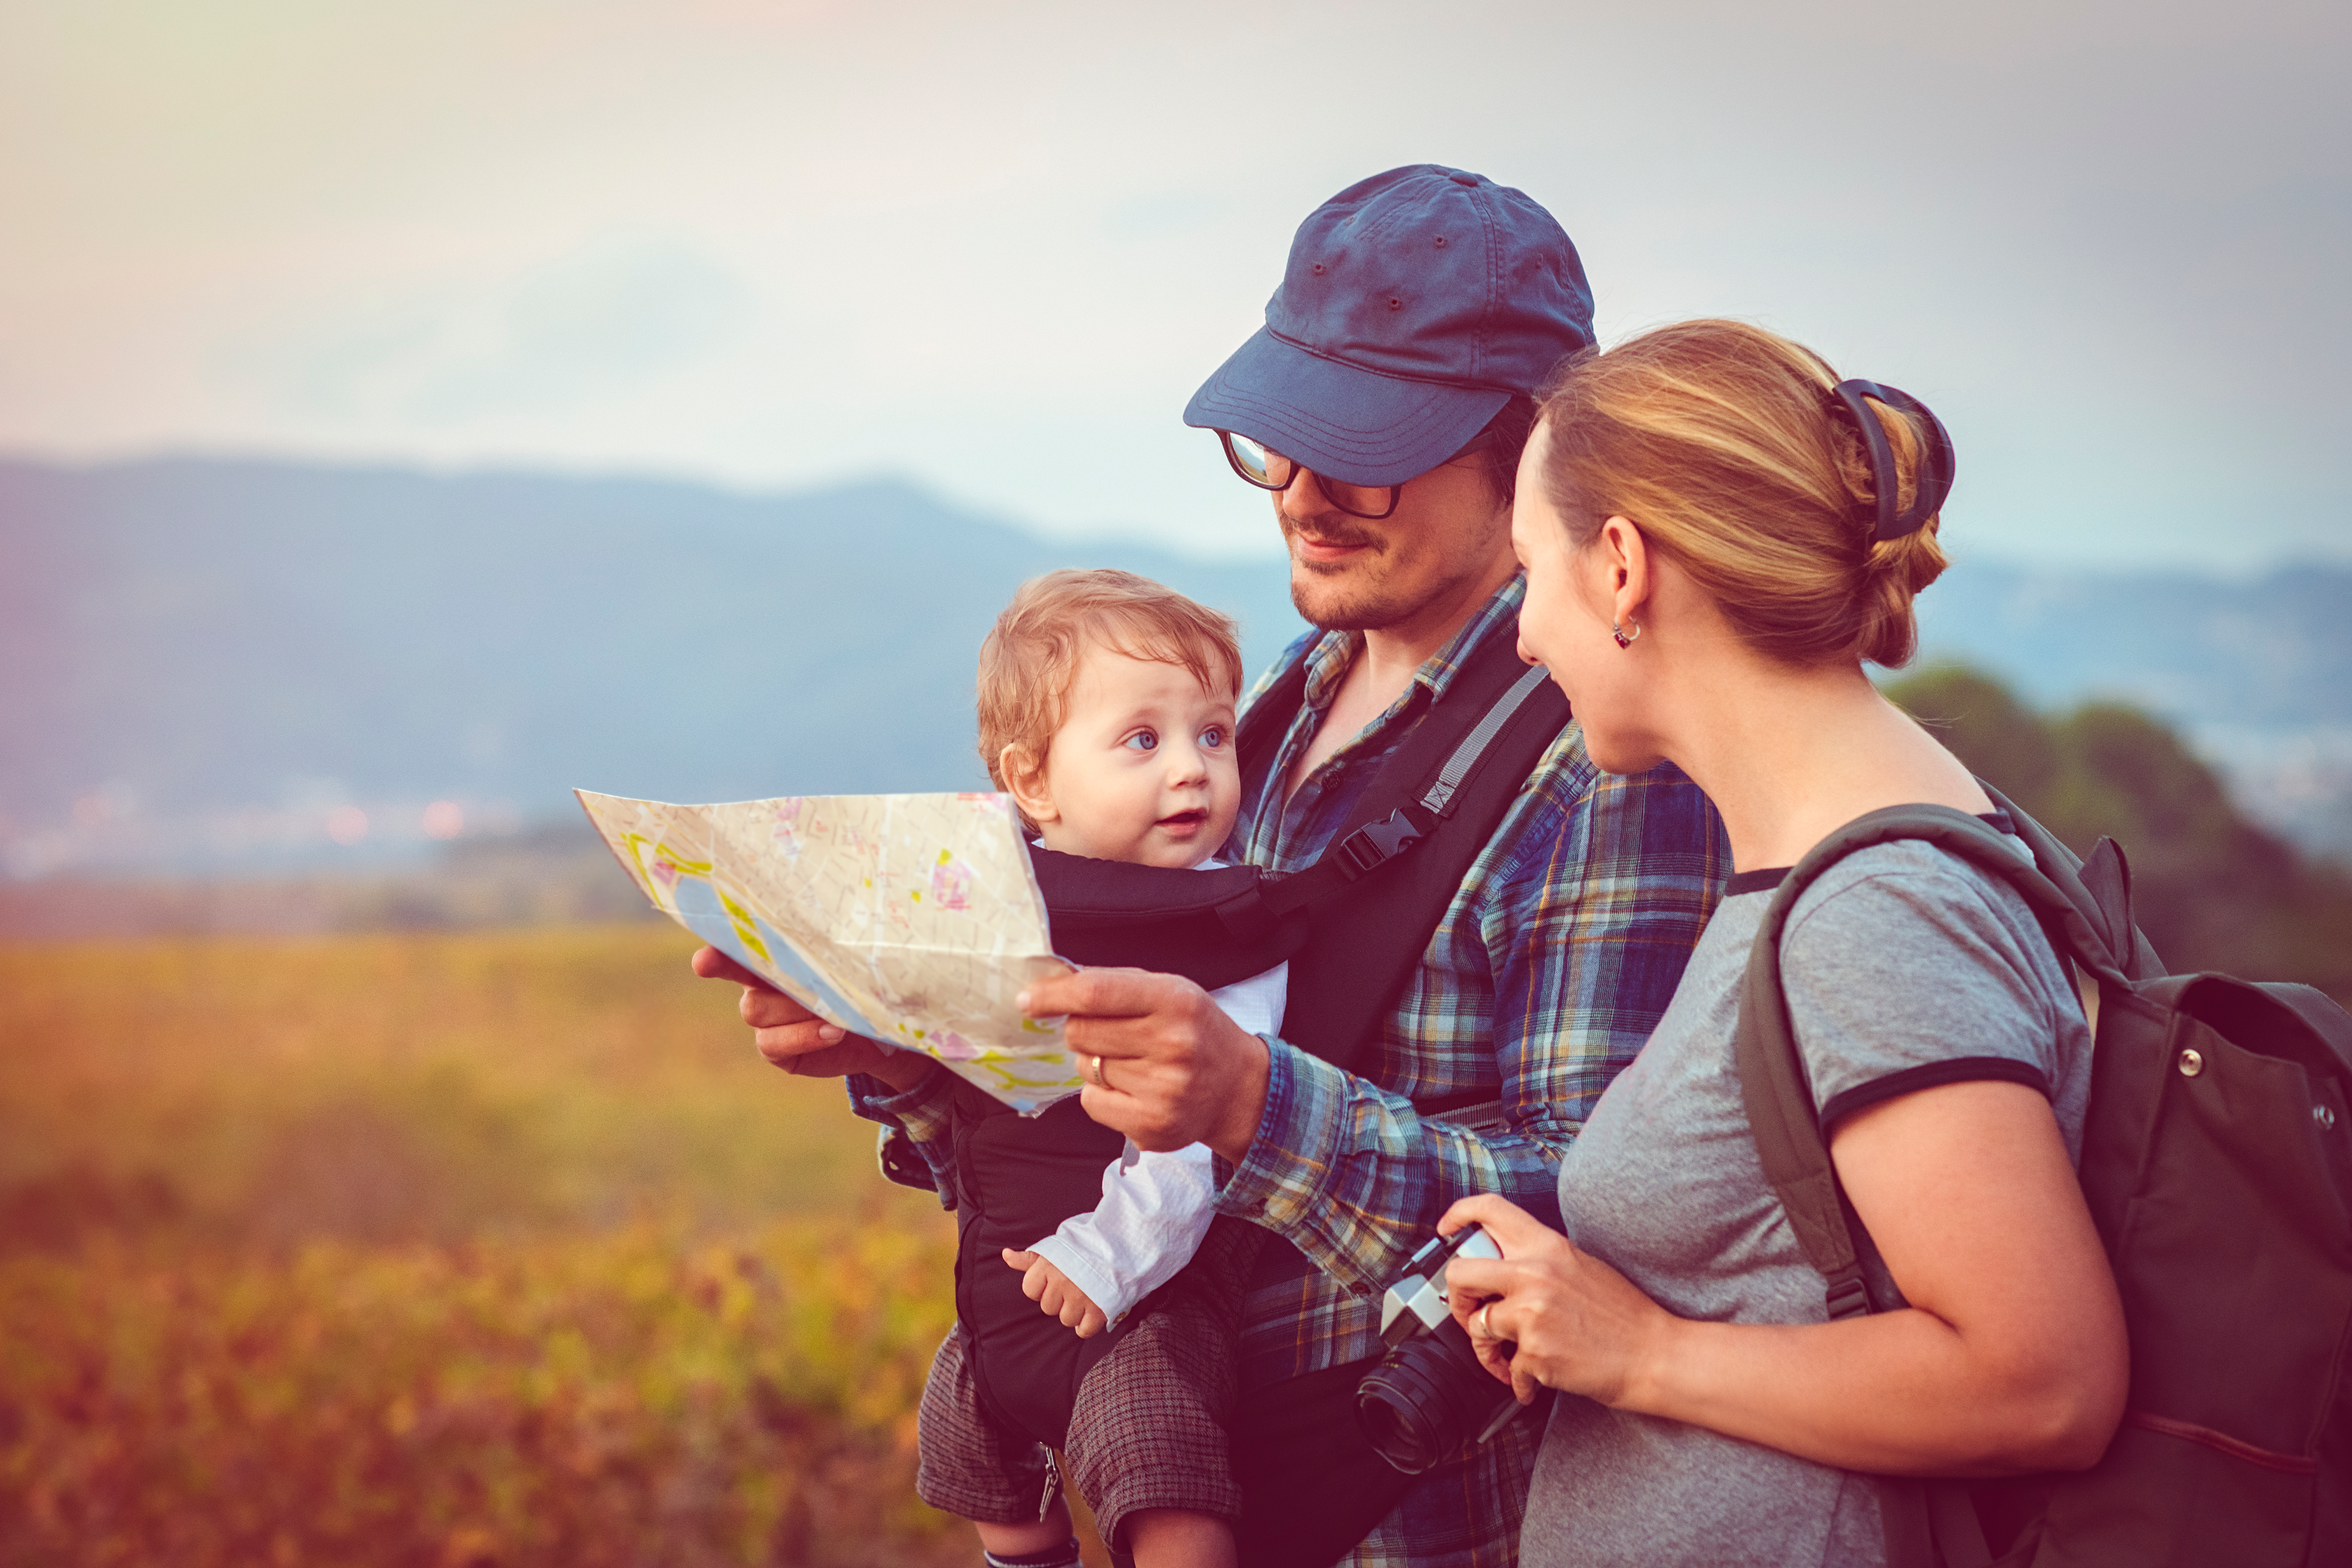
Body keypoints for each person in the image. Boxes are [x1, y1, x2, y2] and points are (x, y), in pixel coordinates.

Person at [704, 164, 1725, 1565]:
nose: (1303, 496)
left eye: (1362, 450)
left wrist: (1251, 1104)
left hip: (1417, 1520)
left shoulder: (1601, 763)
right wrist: (902, 1046)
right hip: (1202, 1470)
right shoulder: (1269, 706)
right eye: (1277, 444)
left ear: (1529, 442)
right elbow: (1094, 1140)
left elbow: (1609, 1218)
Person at [1432, 319, 2129, 1566]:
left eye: (1529, 570)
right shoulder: (1857, 863)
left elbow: (2041, 1382)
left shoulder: (1876, 913)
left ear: (1621, 569)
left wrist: (1644, 1353)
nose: (1524, 634)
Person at [924, 568, 1286, 1568]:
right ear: (1034, 782)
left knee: (1164, 1477)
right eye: (1142, 740)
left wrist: (1109, 1254)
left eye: (1213, 735)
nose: (1192, 770)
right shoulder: (997, 897)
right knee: (976, 1447)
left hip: (1140, 1288)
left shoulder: (1227, 931)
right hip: (1006, 1275)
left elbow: (1198, 1138)